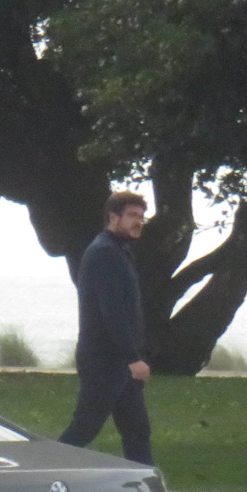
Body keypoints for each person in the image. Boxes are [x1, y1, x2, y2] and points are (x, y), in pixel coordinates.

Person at [57, 189, 154, 465]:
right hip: (104, 360)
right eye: (132, 216)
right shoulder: (104, 253)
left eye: (141, 216)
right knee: (84, 428)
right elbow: (112, 311)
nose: (139, 222)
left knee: (137, 430)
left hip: (119, 362)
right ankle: (39, 478)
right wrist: (134, 357)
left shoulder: (118, 251)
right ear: (114, 217)